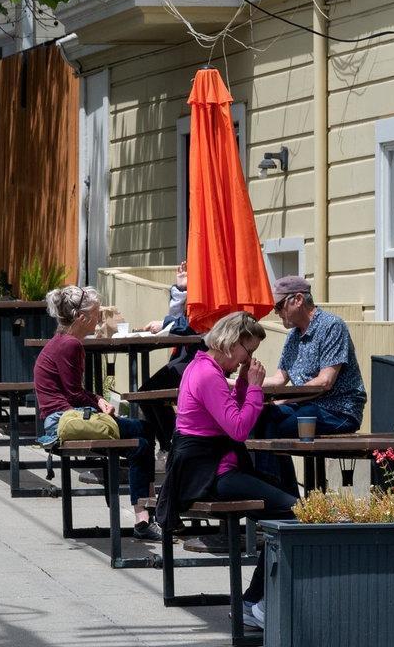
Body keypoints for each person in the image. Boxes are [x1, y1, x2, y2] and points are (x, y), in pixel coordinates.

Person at [155, 311, 296, 633]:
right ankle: (256, 603)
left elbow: (231, 415)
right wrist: (256, 388)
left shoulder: (205, 367)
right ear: (233, 343)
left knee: (288, 510)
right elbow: (238, 428)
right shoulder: (208, 374)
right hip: (208, 474)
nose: (250, 359)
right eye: (250, 352)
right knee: (293, 514)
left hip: (210, 467)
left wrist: (245, 383)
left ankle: (255, 601)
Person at [34, 285, 161, 540]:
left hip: (58, 419)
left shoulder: (60, 341)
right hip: (65, 421)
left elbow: (74, 392)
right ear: (81, 318)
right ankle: (145, 516)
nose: (98, 318)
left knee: (142, 438)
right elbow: (73, 394)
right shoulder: (70, 344)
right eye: (95, 314)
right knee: (143, 436)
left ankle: (146, 515)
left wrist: (98, 400)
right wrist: (100, 401)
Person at [257, 275, 367, 439]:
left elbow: (325, 382)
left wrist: (284, 400)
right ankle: (274, 466)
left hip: (339, 410)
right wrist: (240, 383)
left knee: (283, 427)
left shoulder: (332, 326)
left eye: (279, 306)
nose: (277, 313)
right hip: (305, 406)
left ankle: (268, 465)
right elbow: (279, 379)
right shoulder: (293, 335)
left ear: (298, 299)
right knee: (262, 415)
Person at [136, 261, 206, 455]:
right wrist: (181, 288)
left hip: (202, 356)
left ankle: (174, 445)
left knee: (149, 393)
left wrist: (166, 323)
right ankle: (170, 445)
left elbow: (196, 323)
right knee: (146, 394)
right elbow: (178, 320)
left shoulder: (211, 290)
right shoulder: (195, 292)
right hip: (186, 354)